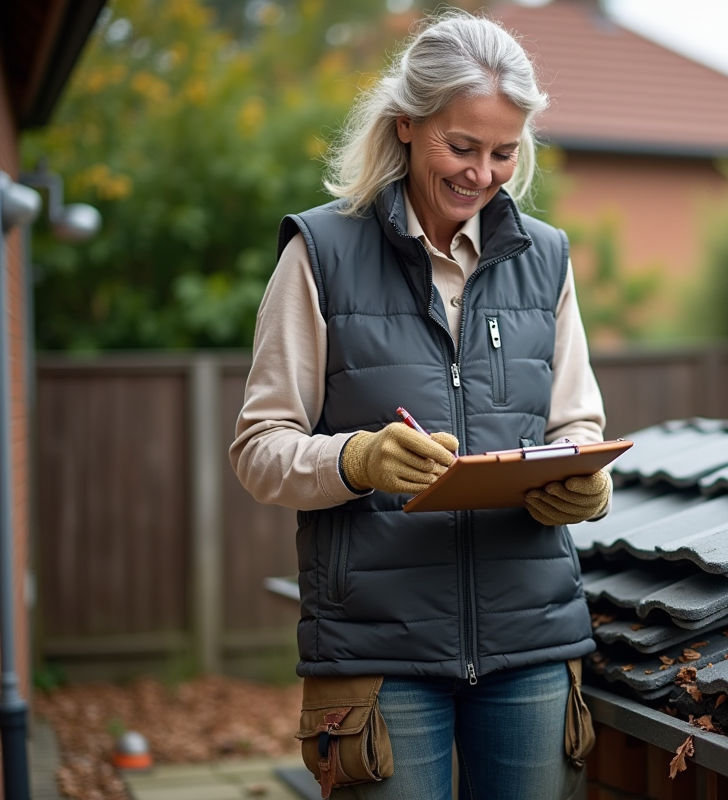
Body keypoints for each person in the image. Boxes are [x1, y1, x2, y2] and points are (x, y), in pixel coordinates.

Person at [229, 10, 609, 799]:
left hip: (531, 647)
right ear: (406, 124)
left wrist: (585, 482)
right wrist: (356, 458)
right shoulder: (320, 254)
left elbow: (576, 422)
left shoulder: (547, 260)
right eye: (461, 147)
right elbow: (260, 449)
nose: (483, 173)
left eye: (504, 152)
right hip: (376, 654)